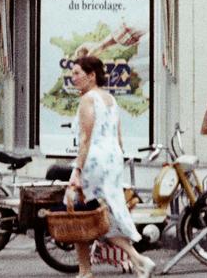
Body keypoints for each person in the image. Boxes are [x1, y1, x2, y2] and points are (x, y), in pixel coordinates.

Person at [65, 55, 154, 278]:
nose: (72, 77)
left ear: (92, 75)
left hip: (94, 161)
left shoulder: (88, 99)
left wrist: (77, 170)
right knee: (102, 214)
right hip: (112, 160)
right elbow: (119, 137)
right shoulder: (111, 99)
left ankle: (89, 270)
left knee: (81, 214)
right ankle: (134, 260)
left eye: (77, 73)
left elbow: (85, 138)